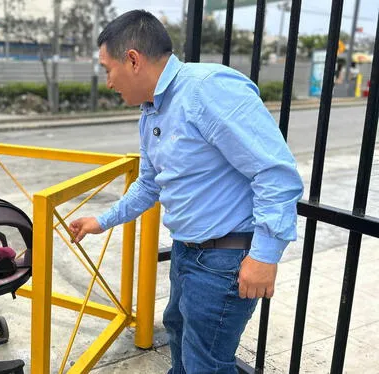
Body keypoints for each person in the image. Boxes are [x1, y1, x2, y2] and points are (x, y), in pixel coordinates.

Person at [68, 10, 303, 373]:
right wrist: (102, 220)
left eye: (107, 68)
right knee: (178, 333)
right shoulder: (152, 111)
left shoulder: (208, 89)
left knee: (204, 363)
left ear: (132, 59)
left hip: (226, 259)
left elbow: (275, 173)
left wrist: (265, 255)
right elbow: (150, 183)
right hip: (188, 252)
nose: (108, 82)